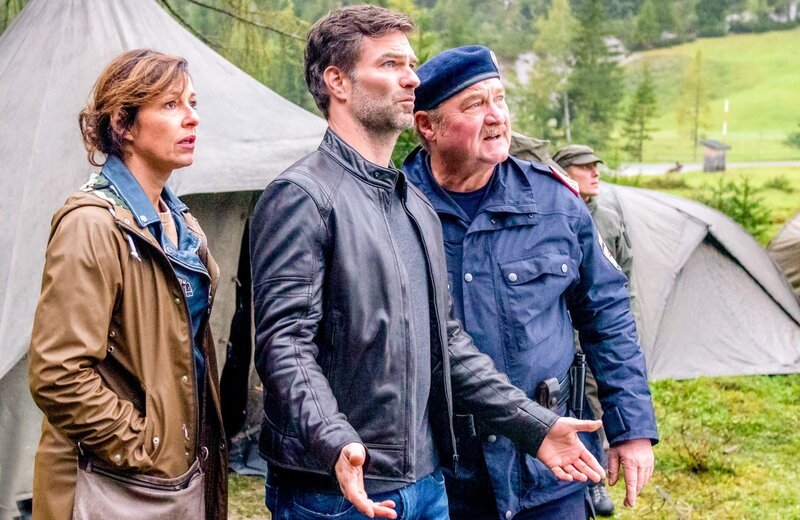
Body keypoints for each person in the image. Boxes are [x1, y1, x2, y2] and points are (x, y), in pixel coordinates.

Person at [250, 6, 606, 520]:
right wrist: (334, 440)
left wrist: (534, 426)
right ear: (338, 82)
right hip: (337, 491)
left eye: (411, 65)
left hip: (426, 482)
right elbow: (284, 344)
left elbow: (449, 345)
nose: (411, 78)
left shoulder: (414, 205)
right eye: (390, 64)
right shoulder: (302, 197)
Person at [403, 45, 658, 520]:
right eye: (474, 105)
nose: (496, 116)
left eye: (499, 99)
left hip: (551, 467)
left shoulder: (554, 202)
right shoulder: (396, 209)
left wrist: (631, 428)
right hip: (440, 472)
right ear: (427, 126)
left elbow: (607, 315)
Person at [28, 49, 227, 519]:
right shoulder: (92, 225)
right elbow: (59, 375)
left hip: (180, 479)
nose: (192, 118)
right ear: (123, 123)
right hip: (112, 486)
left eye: (193, 103)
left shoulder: (182, 227)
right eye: (171, 105)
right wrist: (147, 443)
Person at [551, 144, 640, 516]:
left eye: (595, 166)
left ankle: (597, 476)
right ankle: (587, 478)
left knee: (599, 400)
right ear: (564, 172)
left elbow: (623, 273)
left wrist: (623, 323)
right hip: (560, 338)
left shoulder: (608, 217)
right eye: (584, 167)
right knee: (569, 404)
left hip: (596, 333)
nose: (595, 173)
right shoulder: (552, 212)